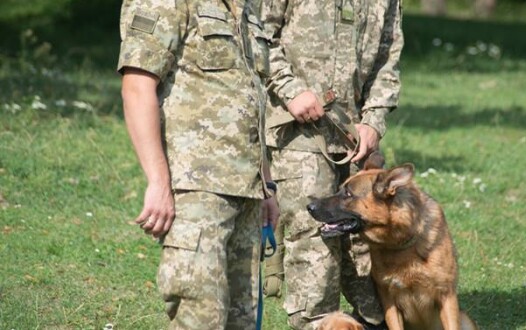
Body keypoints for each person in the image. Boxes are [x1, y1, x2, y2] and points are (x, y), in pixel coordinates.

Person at [117, 0, 280, 329]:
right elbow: (137, 87)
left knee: (242, 321)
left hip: (246, 193)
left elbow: (250, 100)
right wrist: (159, 183)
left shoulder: (245, 9)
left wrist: (267, 185)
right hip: (196, 193)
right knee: (200, 318)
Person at [260, 0, 404, 329]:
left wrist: (374, 121)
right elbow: (258, 36)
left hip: (356, 136)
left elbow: (388, 58)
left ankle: (379, 322)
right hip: (297, 130)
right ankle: (317, 324)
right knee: (314, 238)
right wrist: (291, 89)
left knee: (365, 237)